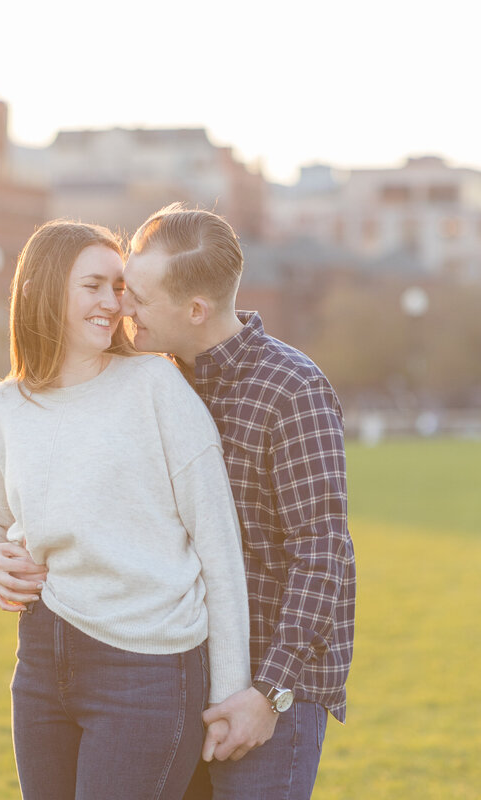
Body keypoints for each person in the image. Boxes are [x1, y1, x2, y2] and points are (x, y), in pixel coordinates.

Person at [0, 219, 252, 800]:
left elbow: (219, 547)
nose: (112, 302)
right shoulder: (0, 409)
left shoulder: (156, 386)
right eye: (92, 285)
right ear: (44, 291)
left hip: (149, 670)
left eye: (119, 288)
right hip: (42, 662)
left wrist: (229, 692)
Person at [120, 204, 356, 800]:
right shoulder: (151, 382)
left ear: (195, 310)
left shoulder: (291, 389)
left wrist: (267, 694)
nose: (125, 308)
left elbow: (323, 555)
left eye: (139, 298)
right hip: (172, 687)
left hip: (267, 696)